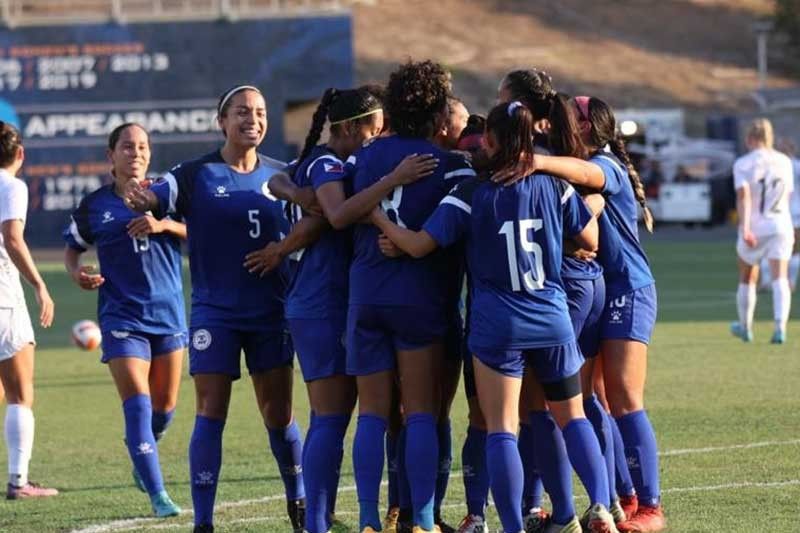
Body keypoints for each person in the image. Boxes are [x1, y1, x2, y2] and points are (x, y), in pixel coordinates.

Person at [371, 100, 617, 533]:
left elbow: (417, 246)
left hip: (498, 326)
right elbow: (591, 239)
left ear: (494, 139)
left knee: (502, 428)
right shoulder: (553, 185)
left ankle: (511, 526)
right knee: (572, 417)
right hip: (552, 319)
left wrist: (378, 217)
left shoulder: (472, 193)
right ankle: (599, 507)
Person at [253, 86, 436, 533]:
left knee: (378, 412)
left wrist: (292, 195)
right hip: (323, 304)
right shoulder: (330, 163)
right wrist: (393, 179)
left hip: (339, 301)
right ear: (352, 128)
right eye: (374, 129)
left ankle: (387, 513)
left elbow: (277, 180)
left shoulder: (333, 162)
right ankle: (315, 522)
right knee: (332, 417)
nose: (379, 137)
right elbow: (333, 216)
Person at [124, 85, 305, 533]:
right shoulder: (194, 174)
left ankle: (298, 503)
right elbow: (156, 192)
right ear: (221, 121)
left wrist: (280, 250)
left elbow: (316, 224)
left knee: (279, 413)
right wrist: (144, 196)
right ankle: (202, 523)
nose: (253, 120)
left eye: (260, 112)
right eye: (242, 112)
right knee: (210, 410)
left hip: (271, 312)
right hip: (215, 314)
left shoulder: (284, 177)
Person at [512, 95, 664, 532]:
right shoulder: (570, 161)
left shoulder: (605, 165)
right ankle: (622, 498)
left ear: (588, 127)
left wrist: (536, 164)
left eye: (570, 119)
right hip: (594, 291)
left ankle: (651, 508)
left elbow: (585, 175)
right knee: (589, 397)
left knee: (623, 397)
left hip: (627, 290)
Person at [346, 60, 475, 533]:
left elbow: (336, 209)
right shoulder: (450, 164)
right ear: (438, 108)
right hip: (419, 298)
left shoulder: (364, 157)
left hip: (365, 294)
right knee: (421, 412)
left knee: (372, 414)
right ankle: (421, 520)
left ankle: (367, 521)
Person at [63, 123, 185, 517]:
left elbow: (199, 234)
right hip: (121, 317)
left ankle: (143, 449)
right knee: (138, 405)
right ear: (110, 156)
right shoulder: (94, 205)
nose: (136, 152)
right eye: (128, 146)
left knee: (164, 408)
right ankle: (158, 495)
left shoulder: (167, 194)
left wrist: (162, 223)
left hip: (168, 315)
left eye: (143, 146)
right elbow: (73, 250)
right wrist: (76, 273)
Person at [0, 121, 58, 500]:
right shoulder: (12, 185)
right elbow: (12, 238)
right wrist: (40, 285)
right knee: (20, 393)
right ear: (19, 154)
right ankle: (19, 482)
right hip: (3, 295)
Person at [729, 119, 794, 344]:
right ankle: (780, 328)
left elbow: (743, 196)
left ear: (750, 139)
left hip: (756, 226)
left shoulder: (743, 163)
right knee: (780, 278)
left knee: (747, 276)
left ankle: (746, 327)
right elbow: (788, 195)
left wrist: (745, 227)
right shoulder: (784, 161)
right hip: (781, 225)